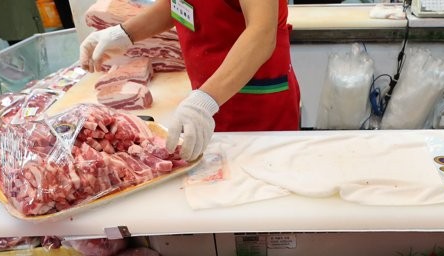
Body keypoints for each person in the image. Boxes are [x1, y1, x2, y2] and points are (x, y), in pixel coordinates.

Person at [79, 0, 300, 161]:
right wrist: (123, 33)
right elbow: (176, 5)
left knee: (263, 192)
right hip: (206, 97)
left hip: (256, 103)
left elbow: (262, 32)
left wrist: (204, 100)